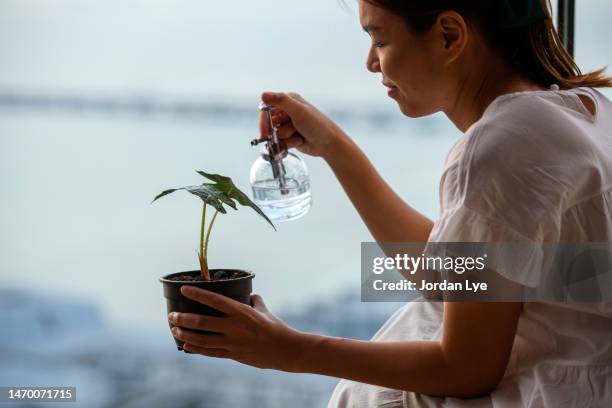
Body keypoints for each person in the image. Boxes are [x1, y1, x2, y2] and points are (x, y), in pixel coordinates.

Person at [167, 0, 612, 406]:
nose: (370, 61)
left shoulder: (499, 146)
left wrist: (289, 350)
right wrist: (335, 148)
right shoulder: (585, 111)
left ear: (449, 36)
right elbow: (457, 280)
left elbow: (466, 368)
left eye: (379, 39)